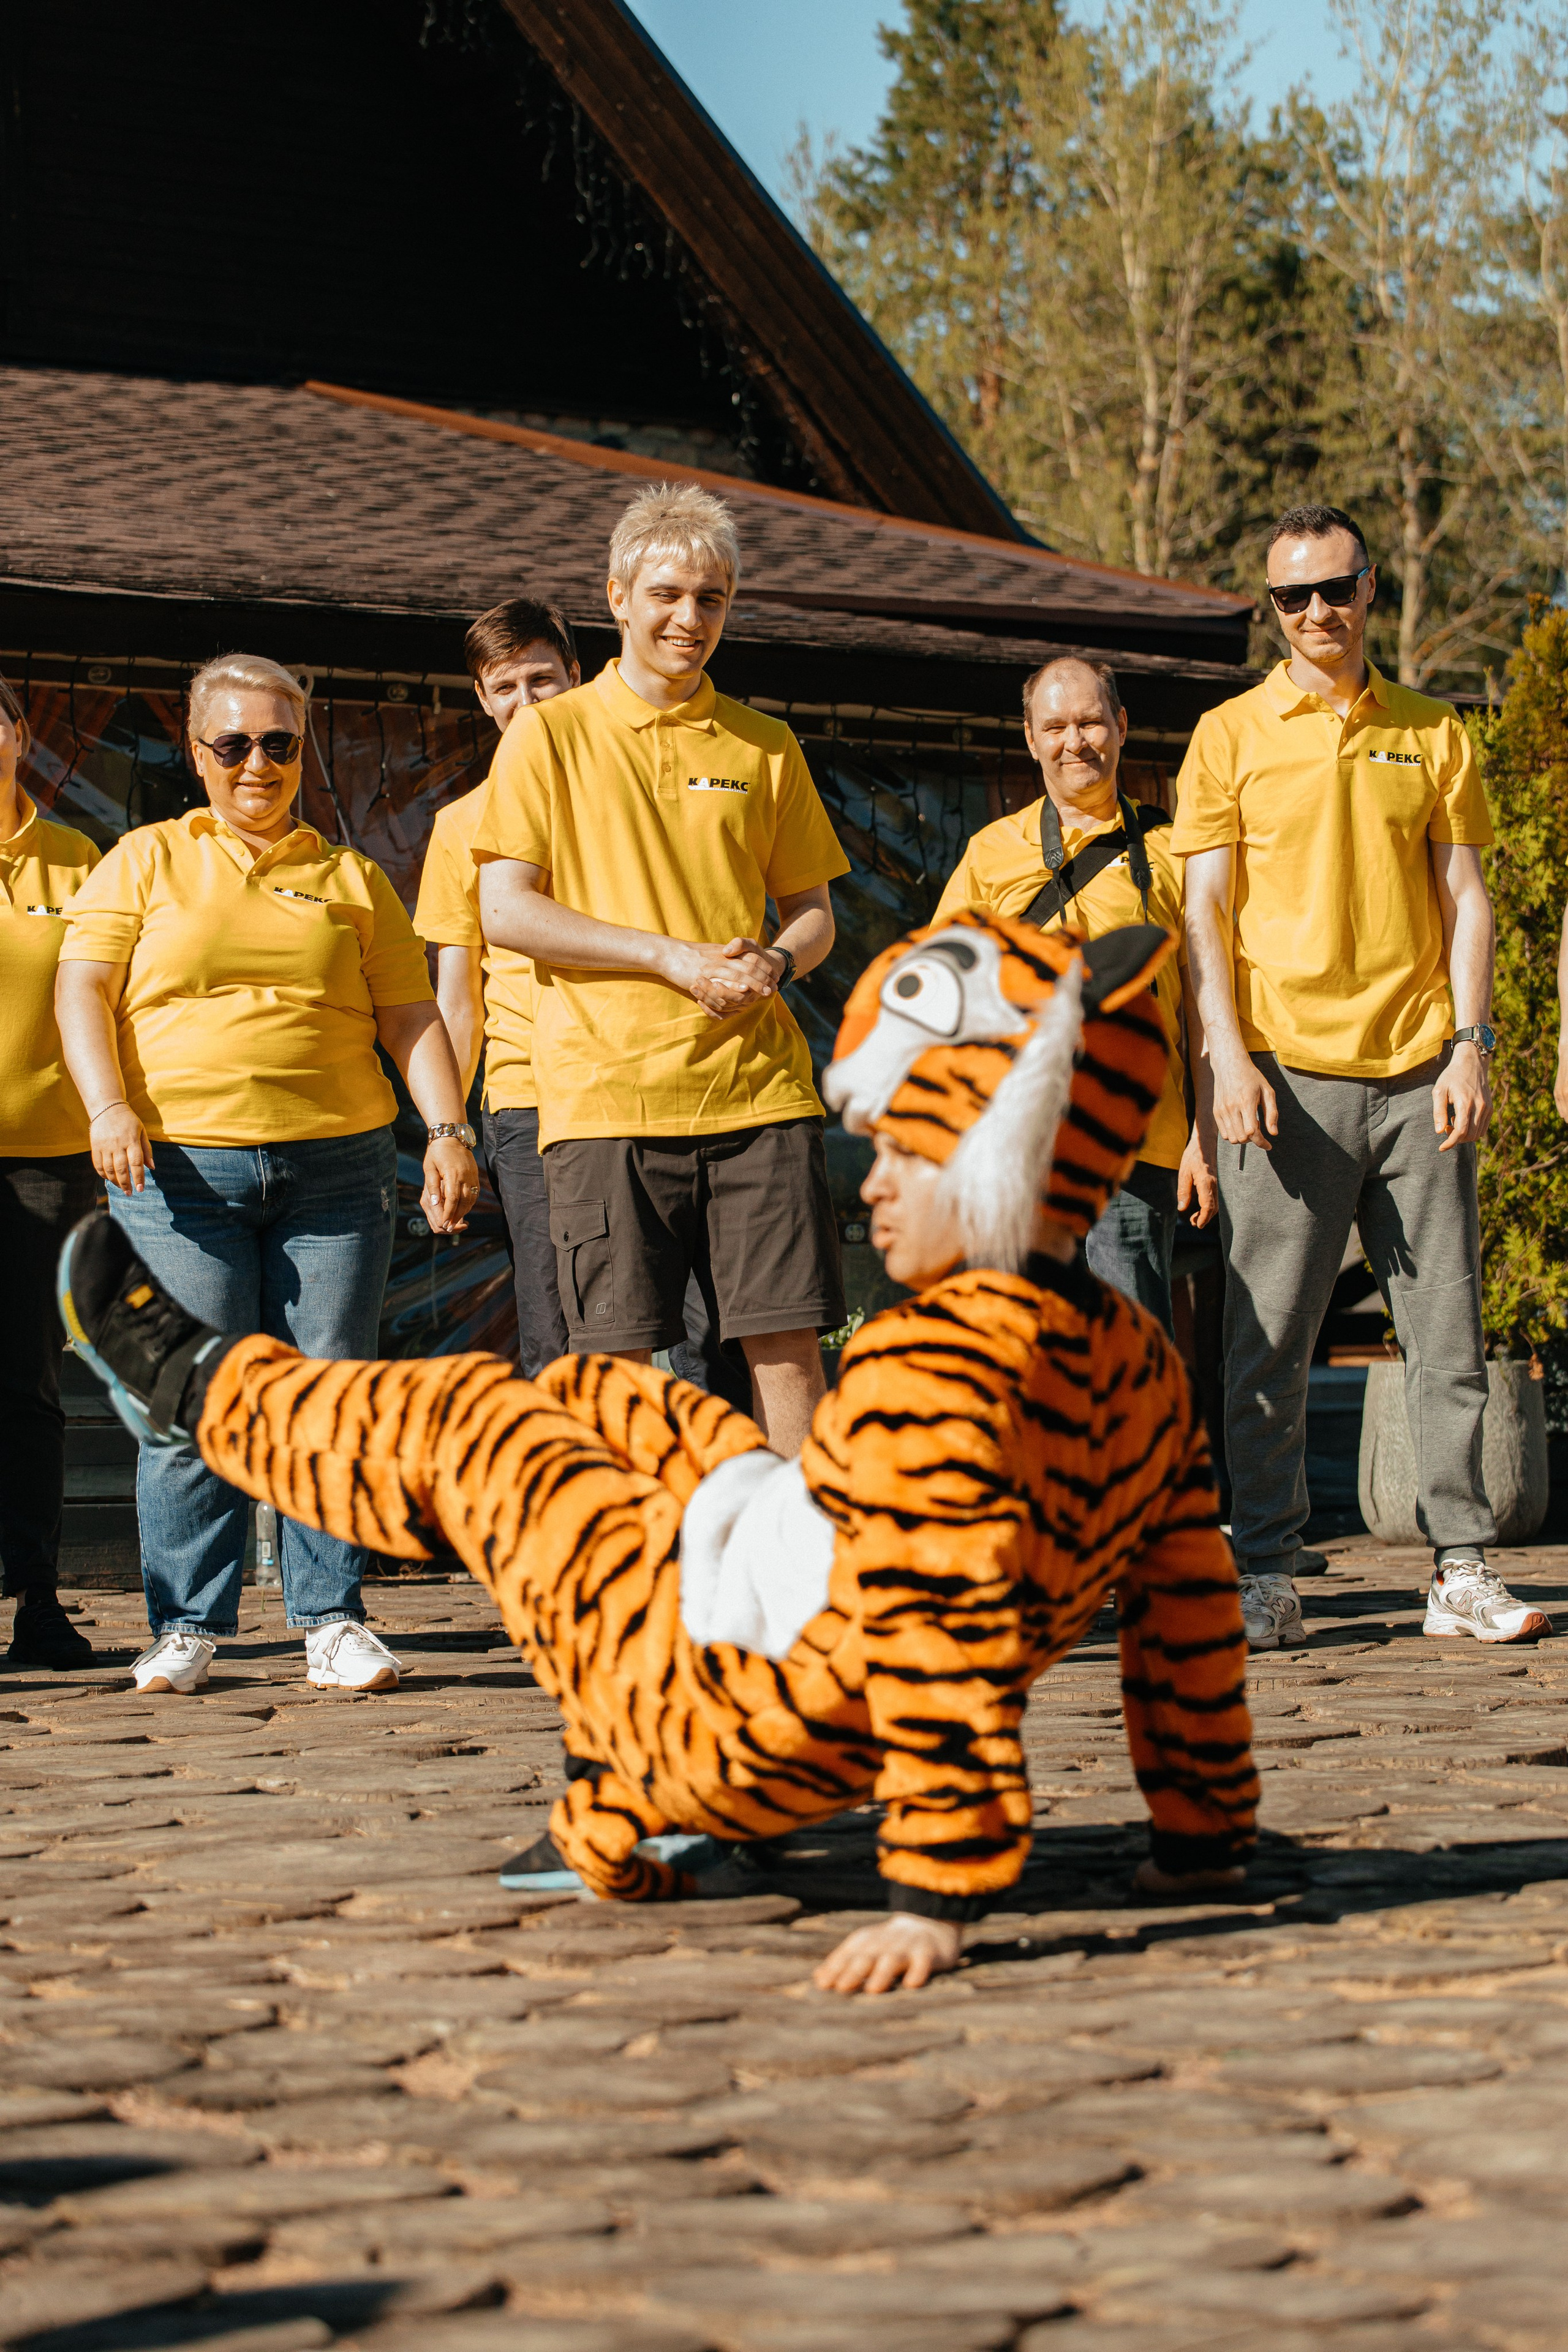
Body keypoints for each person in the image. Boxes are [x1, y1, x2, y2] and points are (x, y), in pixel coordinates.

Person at [58, 907, 1259, 1994]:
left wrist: (934, 1901)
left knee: (485, 1433)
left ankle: (209, 1393)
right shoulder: (1134, 1357)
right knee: (609, 1396)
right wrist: (1201, 1837)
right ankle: (587, 1752)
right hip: (784, 1613)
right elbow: (1187, 1606)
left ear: (999, 1156)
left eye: (905, 1152)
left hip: (734, 1718)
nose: (874, 1189)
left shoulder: (937, 1372)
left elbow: (938, 1633)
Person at [55, 652, 481, 1698]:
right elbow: (83, 990)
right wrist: (108, 1107)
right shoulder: (143, 860)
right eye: (236, 743)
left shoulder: (352, 878)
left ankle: (331, 1619)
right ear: (197, 752)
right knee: (190, 1397)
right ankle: (186, 1627)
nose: (259, 763)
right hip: (178, 1171)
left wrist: (447, 1130)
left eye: (280, 744)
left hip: (336, 1171)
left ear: (302, 750)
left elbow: (410, 1016)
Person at [1176, 503, 1544, 1651]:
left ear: (1370, 587)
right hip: (1283, 1079)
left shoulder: (1434, 731)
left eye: (1336, 587)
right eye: (1294, 596)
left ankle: (1460, 1569)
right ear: (1273, 607)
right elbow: (1203, 914)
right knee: (1267, 1345)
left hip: (1421, 1072)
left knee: (1447, 1336)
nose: (1318, 612)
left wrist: (1473, 1045)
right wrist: (1227, 1059)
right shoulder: (1228, 735)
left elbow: (1467, 899)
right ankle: (1269, 1573)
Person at [472, 483, 850, 1459]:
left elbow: (815, 915)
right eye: (669, 594)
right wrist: (668, 958)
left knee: (786, 1350)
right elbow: (504, 910)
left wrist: (775, 960)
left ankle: (801, 1554)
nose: (690, 617)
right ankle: (636, 1556)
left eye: (712, 598)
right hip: (605, 1101)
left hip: (759, 1096)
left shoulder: (765, 744)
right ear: (617, 596)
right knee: (617, 1370)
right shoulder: (549, 735)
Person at [935, 656, 1208, 1333]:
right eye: (1055, 727)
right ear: (1031, 739)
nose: (1074, 742)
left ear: (1121, 727)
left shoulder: (1175, 851)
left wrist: (1204, 1134)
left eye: (1090, 722)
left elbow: (1204, 1007)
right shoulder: (990, 853)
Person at [415, 597, 581, 1376]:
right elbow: (458, 1000)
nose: (526, 702)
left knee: (690, 1331)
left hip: (644, 1081)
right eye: (505, 687)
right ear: (482, 700)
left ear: (576, 677)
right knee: (555, 1331)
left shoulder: (628, 798)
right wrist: (447, 1132)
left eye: (541, 680)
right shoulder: (460, 824)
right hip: (528, 1099)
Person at [0, 673, 100, 1672]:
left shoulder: (78, 861)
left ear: (21, 735)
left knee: (27, 1386)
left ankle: (38, 1602)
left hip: (45, 1162)